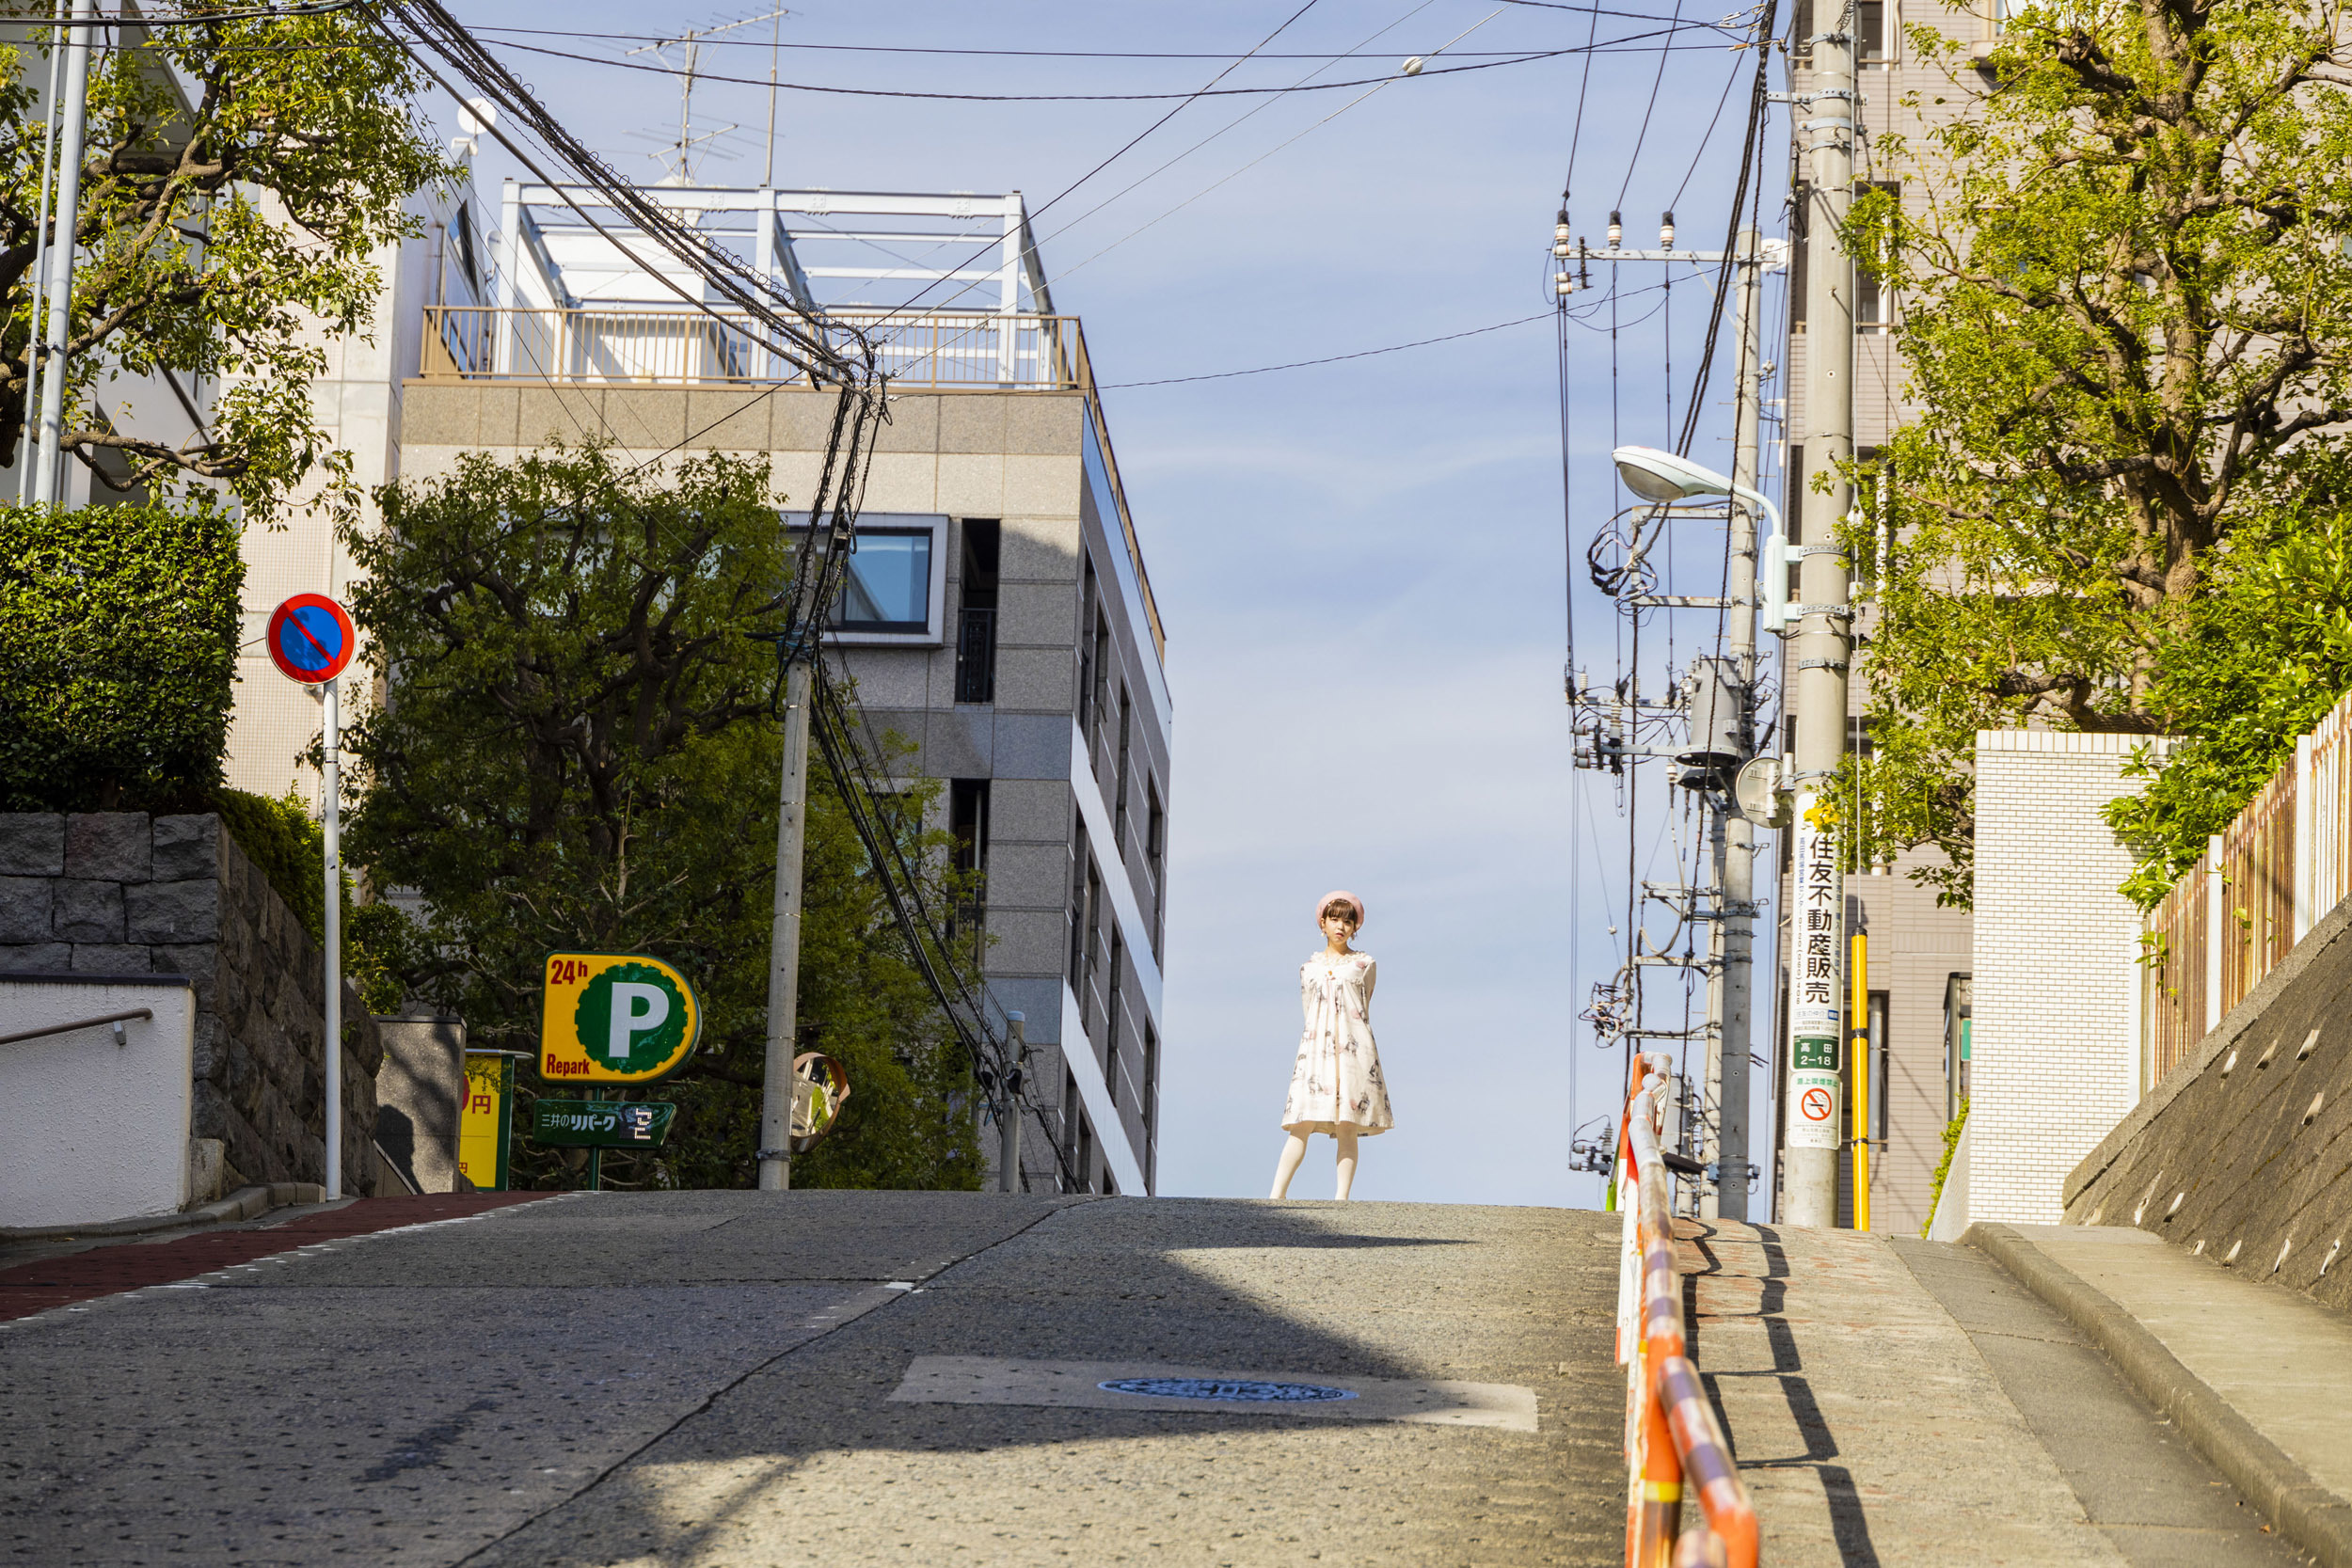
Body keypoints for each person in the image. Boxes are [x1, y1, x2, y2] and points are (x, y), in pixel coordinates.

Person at [1270, 890, 1394, 1200]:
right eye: (1334, 919)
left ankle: (1342, 1199)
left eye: (1348, 921)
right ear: (1322, 923)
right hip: (1316, 1051)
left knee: (1348, 1124)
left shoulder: (1364, 964)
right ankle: (1276, 1196)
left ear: (1356, 927)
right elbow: (1309, 1008)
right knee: (1302, 1121)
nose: (1341, 926)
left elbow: (1363, 1004)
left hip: (1354, 1050)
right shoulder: (1308, 968)